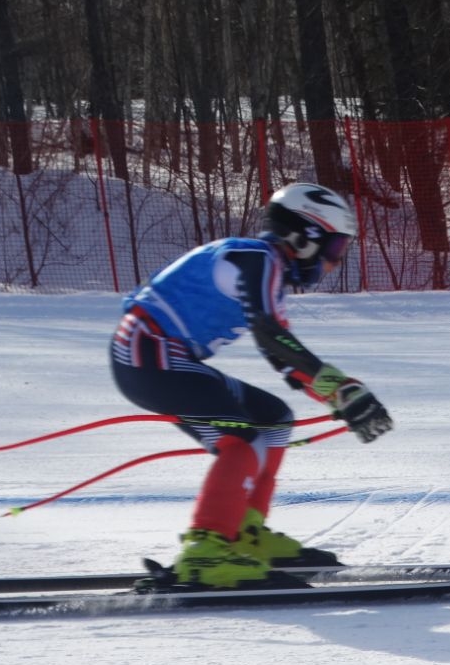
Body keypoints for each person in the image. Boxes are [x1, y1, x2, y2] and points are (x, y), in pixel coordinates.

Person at [111, 183, 393, 589]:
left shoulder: (268, 272)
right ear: (304, 235)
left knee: (274, 419)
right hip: (147, 353)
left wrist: (341, 393)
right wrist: (341, 391)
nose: (333, 263)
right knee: (239, 441)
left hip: (163, 355)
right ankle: (205, 553)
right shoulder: (257, 258)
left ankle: (242, 532)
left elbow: (283, 358)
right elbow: (270, 335)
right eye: (334, 249)